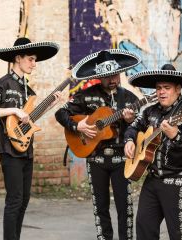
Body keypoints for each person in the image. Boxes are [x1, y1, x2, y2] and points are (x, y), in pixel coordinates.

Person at [55, 49, 141, 240]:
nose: (113, 80)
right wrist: (78, 126)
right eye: (108, 76)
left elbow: (139, 126)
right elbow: (61, 114)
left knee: (125, 208)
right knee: (100, 207)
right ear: (99, 76)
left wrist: (130, 120)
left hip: (121, 159)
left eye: (115, 75)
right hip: (96, 158)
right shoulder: (86, 96)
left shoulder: (129, 98)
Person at [0, 37, 61, 240]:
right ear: (18, 58)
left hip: (26, 148)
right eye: (31, 59)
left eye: (35, 60)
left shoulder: (28, 89)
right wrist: (14, 110)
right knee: (14, 200)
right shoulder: (3, 84)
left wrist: (53, 103)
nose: (34, 64)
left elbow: (30, 118)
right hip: (9, 149)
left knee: (24, 200)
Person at [124, 64, 182, 240]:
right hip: (153, 181)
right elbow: (133, 127)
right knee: (144, 229)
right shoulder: (150, 112)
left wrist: (176, 136)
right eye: (159, 88)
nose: (161, 92)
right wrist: (129, 140)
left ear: (178, 89)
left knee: (180, 234)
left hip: (179, 180)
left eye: (167, 88)